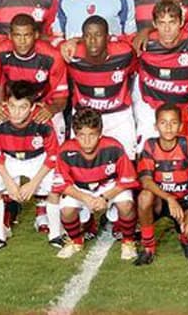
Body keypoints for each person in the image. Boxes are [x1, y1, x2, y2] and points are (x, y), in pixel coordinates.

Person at [0, 14, 67, 231]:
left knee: (55, 158)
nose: (23, 41)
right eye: (17, 36)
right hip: (15, 107)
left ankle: (43, 213)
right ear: (10, 36)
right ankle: (6, 212)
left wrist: (50, 109)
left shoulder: (51, 56)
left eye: (27, 35)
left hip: (43, 108)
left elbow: (62, 97)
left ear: (36, 35)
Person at [0, 80, 62, 251]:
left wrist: (33, 183)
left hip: (38, 159)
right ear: (6, 103)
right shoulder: (0, 120)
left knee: (55, 188)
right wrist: (9, 182)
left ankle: (56, 234)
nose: (16, 112)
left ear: (32, 107)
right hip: (10, 159)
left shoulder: (42, 121)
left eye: (22, 107)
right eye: (12, 106)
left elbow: (53, 155)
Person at [53, 108, 138, 260]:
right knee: (66, 210)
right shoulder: (65, 151)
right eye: (81, 135)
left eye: (91, 135)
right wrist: (85, 198)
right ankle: (75, 241)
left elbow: (127, 179)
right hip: (80, 188)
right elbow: (62, 185)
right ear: (75, 134)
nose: (86, 140)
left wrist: (105, 197)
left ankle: (128, 241)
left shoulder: (114, 147)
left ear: (100, 134)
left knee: (126, 204)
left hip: (108, 186)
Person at [135, 104, 188, 265]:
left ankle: (185, 238)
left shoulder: (187, 145)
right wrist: (169, 198)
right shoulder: (150, 145)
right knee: (144, 197)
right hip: (161, 200)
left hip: (185, 201)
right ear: (156, 126)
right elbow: (145, 181)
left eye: (173, 123)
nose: (168, 127)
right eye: (163, 123)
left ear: (181, 126)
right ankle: (148, 247)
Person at [133, 0, 188, 151]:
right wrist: (76, 41)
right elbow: (109, 43)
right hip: (151, 109)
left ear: (181, 22)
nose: (167, 29)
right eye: (162, 23)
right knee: (145, 153)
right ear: (154, 24)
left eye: (172, 22)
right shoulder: (143, 42)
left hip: (185, 110)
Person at [63, 16, 137, 158]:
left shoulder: (124, 53)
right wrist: (72, 41)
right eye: (88, 36)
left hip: (118, 115)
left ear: (107, 37)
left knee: (127, 160)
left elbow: (135, 44)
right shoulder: (71, 54)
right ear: (82, 37)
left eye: (98, 35)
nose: (93, 41)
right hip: (84, 117)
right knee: (79, 162)